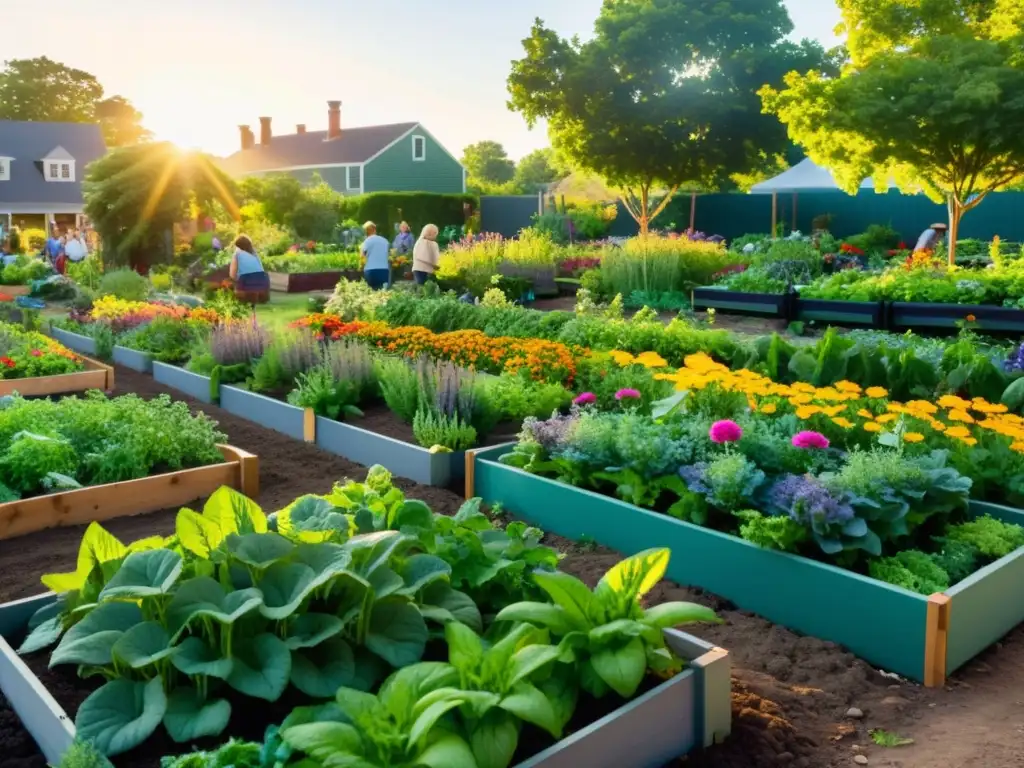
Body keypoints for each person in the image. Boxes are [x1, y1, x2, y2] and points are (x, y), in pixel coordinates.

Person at [229, 235, 270, 303]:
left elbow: (232, 275)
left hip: (247, 291)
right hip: (262, 291)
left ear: (238, 246)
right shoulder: (255, 254)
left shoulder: (237, 254)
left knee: (228, 283)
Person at [361, 221, 391, 290]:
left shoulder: (366, 241)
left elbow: (362, 256)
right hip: (384, 271)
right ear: (375, 230)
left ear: (366, 232)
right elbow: (389, 254)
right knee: (383, 294)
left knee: (372, 294)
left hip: (370, 271)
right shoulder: (385, 241)